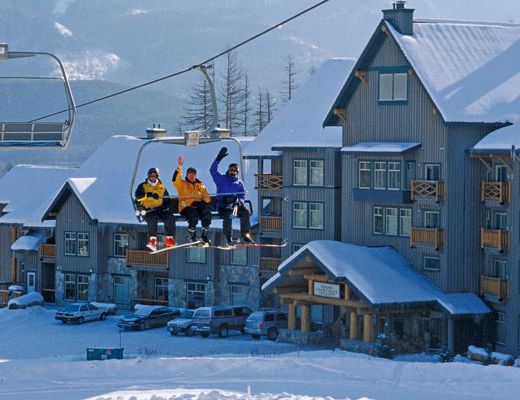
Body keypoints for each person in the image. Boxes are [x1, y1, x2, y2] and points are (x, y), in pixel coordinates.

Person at [210, 147, 253, 245]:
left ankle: (245, 234)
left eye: (234, 170)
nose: (232, 171)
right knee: (228, 217)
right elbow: (212, 170)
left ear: (237, 172)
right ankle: (228, 237)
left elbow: (242, 194)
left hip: (235, 206)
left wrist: (239, 202)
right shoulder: (221, 179)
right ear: (228, 170)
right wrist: (218, 159)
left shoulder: (239, 183)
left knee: (246, 213)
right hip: (224, 206)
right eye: (231, 169)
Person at [135, 167, 176, 252]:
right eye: (151, 175)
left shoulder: (161, 187)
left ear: (157, 176)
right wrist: (150, 194)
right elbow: (138, 197)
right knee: (152, 219)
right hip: (149, 209)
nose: (153, 177)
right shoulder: (143, 186)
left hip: (160, 209)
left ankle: (169, 239)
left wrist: (164, 207)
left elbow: (166, 198)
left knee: (170, 217)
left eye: (154, 176)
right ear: (148, 176)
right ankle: (153, 241)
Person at [172, 155, 212, 243]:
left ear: (195, 175)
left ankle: (204, 235)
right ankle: (192, 236)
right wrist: (179, 167)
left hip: (197, 207)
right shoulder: (182, 184)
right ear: (186, 175)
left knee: (207, 213)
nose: (191, 176)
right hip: (185, 206)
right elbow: (175, 180)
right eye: (189, 174)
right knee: (193, 216)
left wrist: (204, 202)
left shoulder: (199, 185)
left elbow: (207, 196)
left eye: (193, 174)